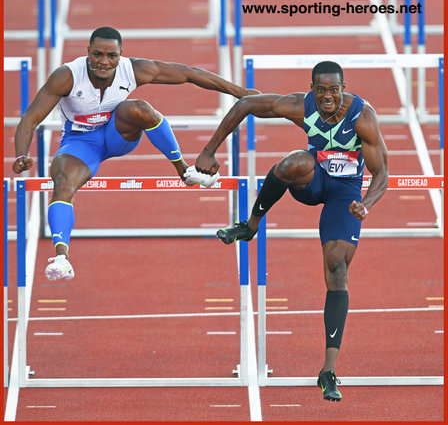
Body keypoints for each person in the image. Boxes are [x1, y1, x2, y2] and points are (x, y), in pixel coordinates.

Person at [195, 60, 388, 401]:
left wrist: (367, 204)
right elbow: (245, 104)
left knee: (337, 268)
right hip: (312, 181)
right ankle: (250, 224)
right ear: (312, 89)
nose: (328, 96)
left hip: (345, 194)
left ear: (344, 87)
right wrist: (210, 149)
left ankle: (328, 370)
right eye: (322, 90)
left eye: (335, 90)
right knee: (292, 161)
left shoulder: (363, 117)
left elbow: (382, 172)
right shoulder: (301, 105)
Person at [13, 26, 258, 283]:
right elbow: (30, 117)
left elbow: (189, 74)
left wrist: (242, 93)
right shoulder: (66, 76)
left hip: (118, 135)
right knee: (62, 181)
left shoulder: (134, 70)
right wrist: (21, 156)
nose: (104, 62)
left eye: (111, 56)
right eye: (97, 54)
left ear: (121, 55)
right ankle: (62, 257)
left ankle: (185, 171)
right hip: (80, 142)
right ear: (87, 52)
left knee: (140, 109)